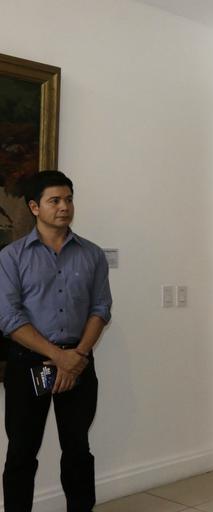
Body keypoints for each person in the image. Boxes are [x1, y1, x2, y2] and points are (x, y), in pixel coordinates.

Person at [0, 170, 112, 512]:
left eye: (69, 199)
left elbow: (101, 308)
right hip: (28, 363)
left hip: (79, 360)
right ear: (35, 207)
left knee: (77, 449)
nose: (64, 207)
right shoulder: (12, 257)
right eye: (55, 200)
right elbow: (9, 318)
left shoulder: (92, 254)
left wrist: (76, 356)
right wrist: (57, 357)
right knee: (22, 451)